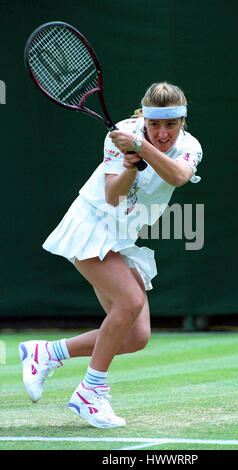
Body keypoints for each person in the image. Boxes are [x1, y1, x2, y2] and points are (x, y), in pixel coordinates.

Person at [19, 82, 203, 428]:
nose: (162, 133)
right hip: (90, 225)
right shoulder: (121, 134)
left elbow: (178, 177)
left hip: (120, 237)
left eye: (170, 125)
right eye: (154, 124)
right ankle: (90, 394)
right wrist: (131, 163)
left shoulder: (189, 147)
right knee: (130, 302)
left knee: (136, 337)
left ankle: (45, 353)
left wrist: (141, 148)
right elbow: (112, 195)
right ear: (144, 118)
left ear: (182, 121)